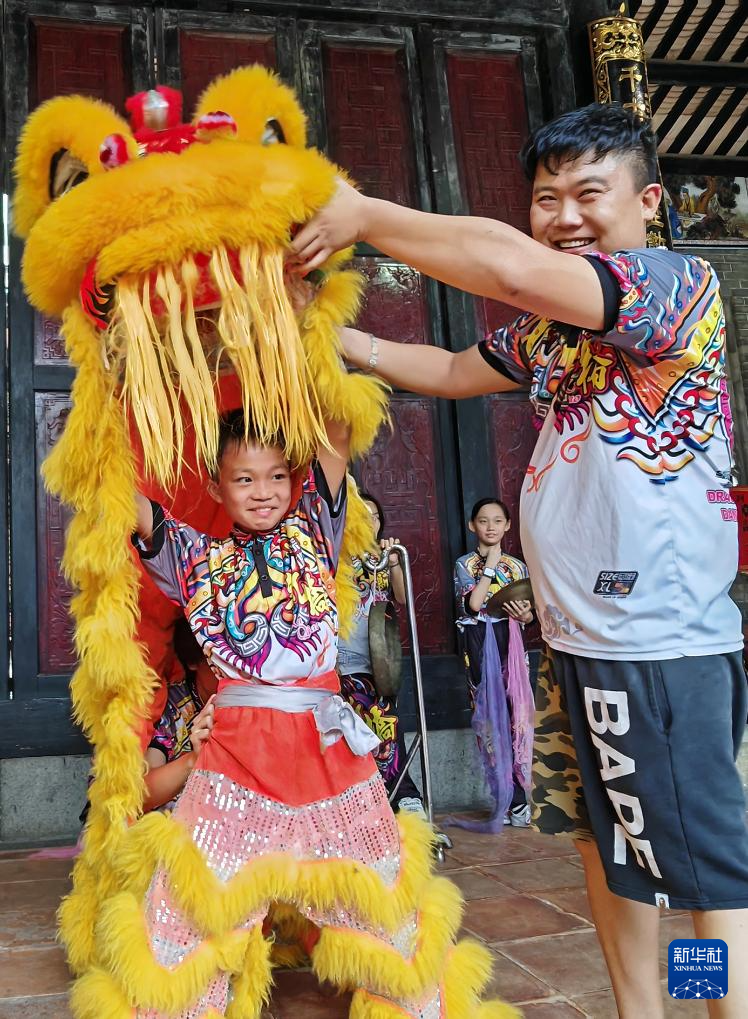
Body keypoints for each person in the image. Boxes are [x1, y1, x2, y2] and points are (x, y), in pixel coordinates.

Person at [290, 103, 748, 1018]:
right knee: (606, 846)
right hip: (574, 637)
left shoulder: (672, 285)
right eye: (547, 199)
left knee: (702, 878)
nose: (566, 216)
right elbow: (456, 369)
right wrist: (324, 335)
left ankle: (717, 1009)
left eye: (590, 194)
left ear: (648, 202)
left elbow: (507, 266)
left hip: (657, 644)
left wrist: (365, 214)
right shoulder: (551, 336)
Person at [114, 409, 504, 1018]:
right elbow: (117, 491)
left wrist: (305, 332)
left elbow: (338, 432)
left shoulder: (316, 530)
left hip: (328, 747)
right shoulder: (191, 553)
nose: (263, 492)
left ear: (294, 483)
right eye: (244, 480)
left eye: (276, 476)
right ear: (217, 488)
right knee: (188, 909)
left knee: (383, 903)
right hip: (237, 756)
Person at [338, 492, 425, 813]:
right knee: (350, 729)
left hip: (379, 657)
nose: (369, 521)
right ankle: (365, 796)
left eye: (374, 516)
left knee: (386, 724)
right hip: (343, 656)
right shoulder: (336, 557)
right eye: (362, 516)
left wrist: (394, 565)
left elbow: (402, 598)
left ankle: (404, 792)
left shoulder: (385, 557)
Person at [454, 498, 534, 831]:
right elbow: (474, 605)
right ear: (473, 526)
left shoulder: (518, 567)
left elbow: (529, 613)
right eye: (483, 521)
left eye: (497, 521)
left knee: (518, 719)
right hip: (479, 642)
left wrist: (524, 615)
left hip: (511, 643)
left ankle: (522, 796)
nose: (490, 526)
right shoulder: (464, 564)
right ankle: (508, 797)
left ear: (507, 526)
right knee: (491, 721)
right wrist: (491, 565)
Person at [143, 619, 217, 813]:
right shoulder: (170, 704)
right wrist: (194, 759)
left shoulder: (257, 703)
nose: (232, 672)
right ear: (193, 660)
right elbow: (141, 795)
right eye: (220, 661)